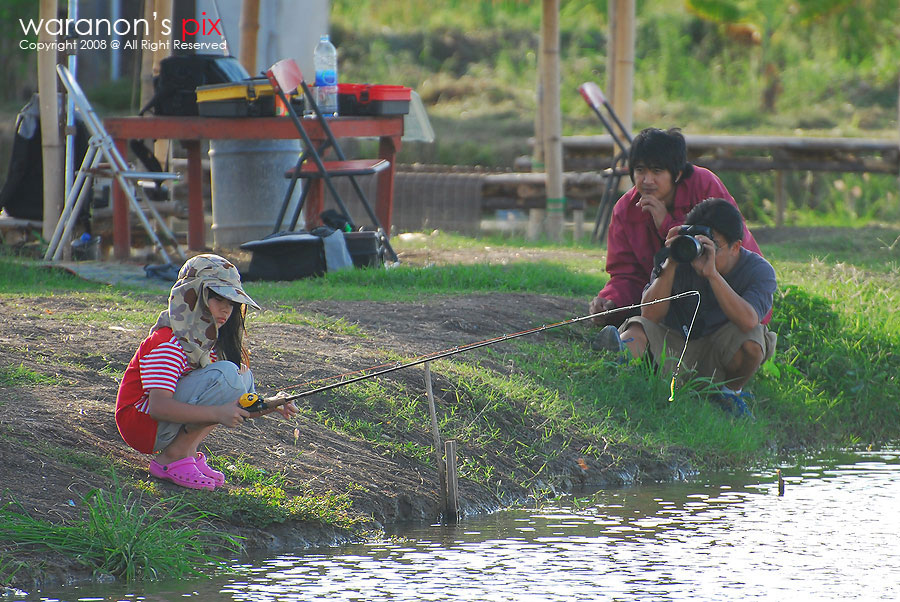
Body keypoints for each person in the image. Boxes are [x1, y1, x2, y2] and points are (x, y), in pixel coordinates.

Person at [115, 254, 297, 490]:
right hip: (141, 423)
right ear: (193, 295)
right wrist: (217, 412)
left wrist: (272, 404)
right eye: (217, 298)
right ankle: (173, 458)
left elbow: (236, 407)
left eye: (231, 303)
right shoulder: (169, 342)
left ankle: (186, 453)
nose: (225, 309)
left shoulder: (207, 344)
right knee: (228, 377)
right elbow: (159, 407)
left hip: (158, 422)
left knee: (239, 376)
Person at [594, 198, 777, 418]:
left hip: (718, 353)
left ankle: (729, 394)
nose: (704, 252)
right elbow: (650, 314)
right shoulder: (681, 255)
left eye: (714, 246)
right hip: (673, 343)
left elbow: (749, 321)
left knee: (753, 340)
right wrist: (671, 261)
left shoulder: (759, 270)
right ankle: (617, 360)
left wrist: (712, 275)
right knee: (638, 329)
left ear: (735, 246)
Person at [589, 127, 767, 329]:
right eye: (640, 170)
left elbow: (726, 246)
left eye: (657, 171)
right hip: (668, 304)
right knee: (635, 326)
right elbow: (626, 275)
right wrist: (611, 301)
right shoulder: (625, 209)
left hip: (729, 294)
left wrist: (667, 224)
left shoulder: (705, 186)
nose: (647, 180)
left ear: (677, 173)